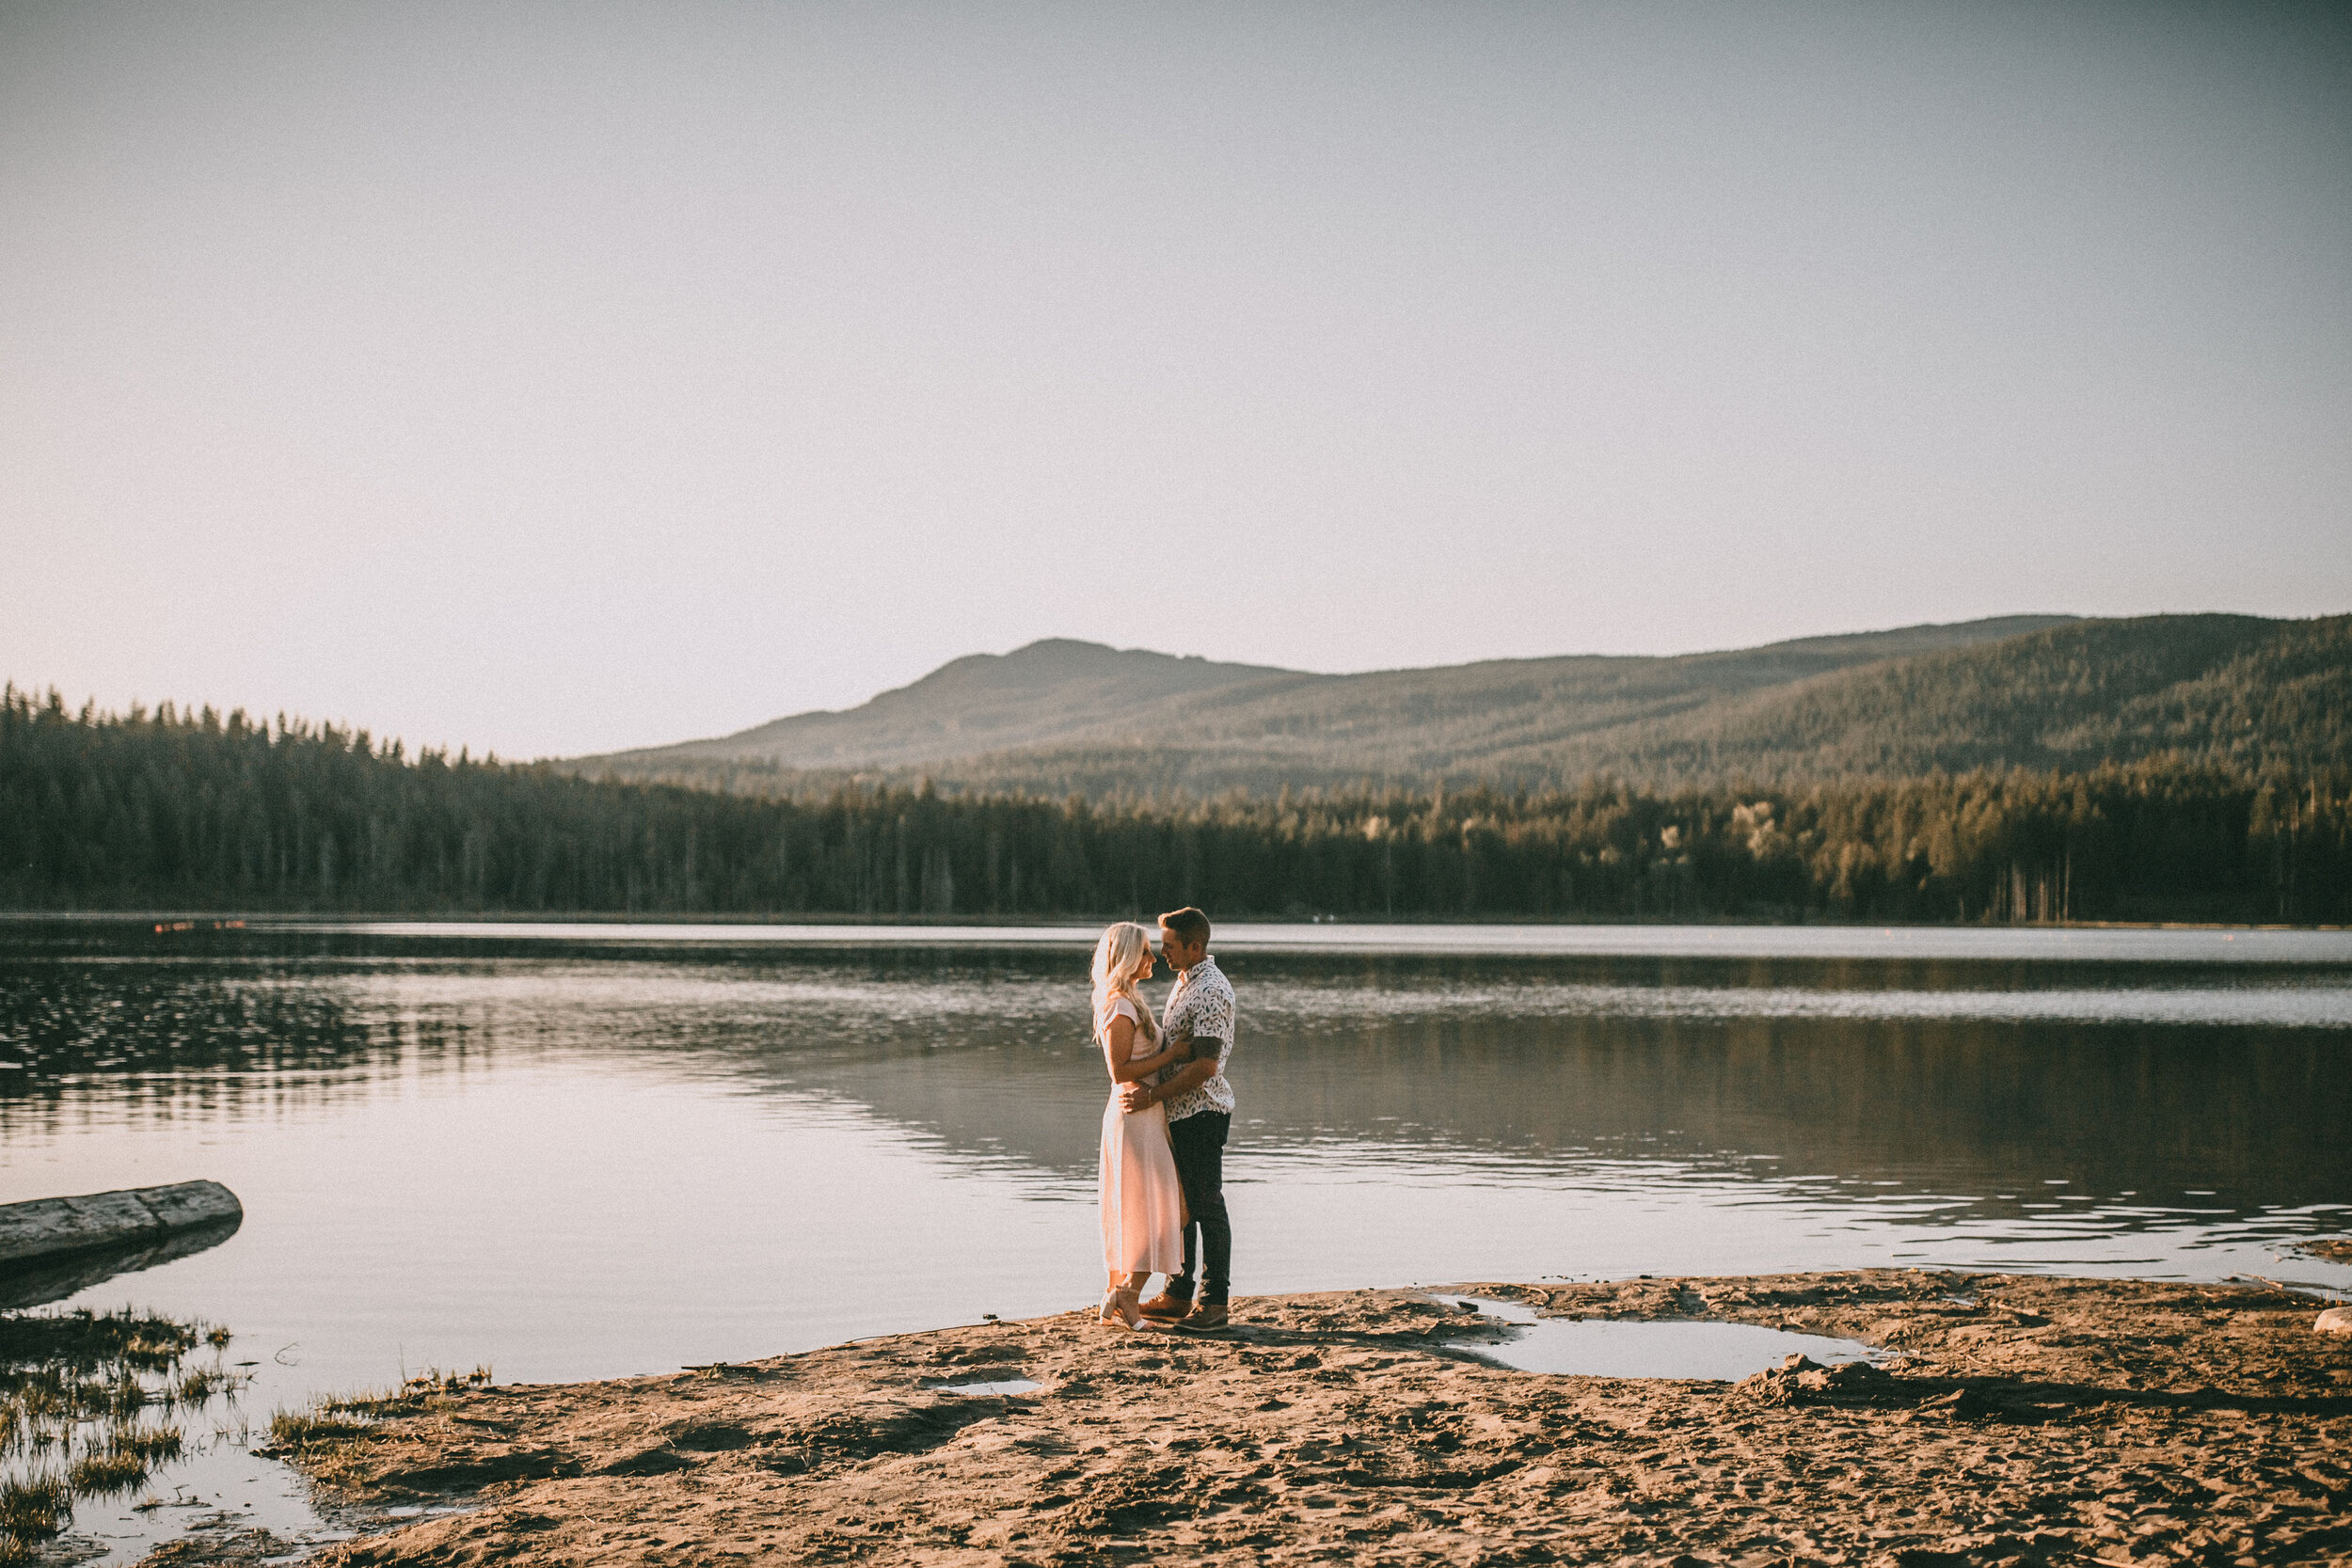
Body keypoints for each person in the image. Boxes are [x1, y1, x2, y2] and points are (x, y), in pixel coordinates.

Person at [1122, 906, 1235, 1329]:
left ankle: (1215, 1302)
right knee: (1180, 1206)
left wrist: (1153, 1095)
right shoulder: (1186, 982)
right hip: (1180, 1113)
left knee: (1207, 1207)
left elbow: (1205, 1065)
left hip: (1202, 1112)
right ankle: (1176, 1294)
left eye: (1170, 947)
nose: (1162, 954)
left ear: (1195, 946)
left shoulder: (1210, 990)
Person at [1091, 921, 1190, 1328]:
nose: (1153, 958)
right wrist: (1174, 1055)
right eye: (1146, 951)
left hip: (1146, 1115)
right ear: (1130, 957)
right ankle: (1127, 1295)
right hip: (1134, 1116)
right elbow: (1120, 1071)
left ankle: (1123, 1293)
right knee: (1161, 1209)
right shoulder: (1120, 1005)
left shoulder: (1130, 1000)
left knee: (1167, 1209)